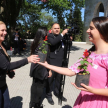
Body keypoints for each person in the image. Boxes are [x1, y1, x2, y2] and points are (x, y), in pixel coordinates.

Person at [38, 16, 108, 108]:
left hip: (100, 103)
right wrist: (46, 65)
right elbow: (71, 71)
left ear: (102, 31)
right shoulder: (89, 54)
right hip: (84, 100)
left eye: (91, 28)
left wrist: (93, 90)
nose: (87, 31)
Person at [0, 21, 39, 108]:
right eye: (2, 30)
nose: (5, 33)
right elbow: (7, 65)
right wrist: (27, 59)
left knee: (7, 105)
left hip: (2, 83)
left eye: (5, 30)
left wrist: (7, 72)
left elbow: (3, 64)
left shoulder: (2, 45)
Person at [45, 23, 70, 105]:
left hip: (62, 62)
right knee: (50, 80)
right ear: (51, 29)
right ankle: (48, 95)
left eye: (58, 28)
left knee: (59, 80)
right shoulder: (50, 36)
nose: (57, 29)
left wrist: (69, 39)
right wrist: (62, 34)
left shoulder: (62, 37)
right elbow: (53, 43)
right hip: (53, 62)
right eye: (55, 28)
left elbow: (69, 46)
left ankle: (58, 93)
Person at [29, 27, 52, 108]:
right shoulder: (44, 44)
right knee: (40, 86)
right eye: (46, 33)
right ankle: (37, 104)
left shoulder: (35, 42)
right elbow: (47, 58)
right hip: (41, 68)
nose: (47, 34)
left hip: (34, 66)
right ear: (43, 34)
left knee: (34, 84)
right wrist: (49, 70)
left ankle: (31, 103)